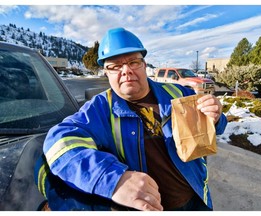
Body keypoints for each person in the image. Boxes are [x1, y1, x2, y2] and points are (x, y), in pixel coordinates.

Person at [35, 27, 227, 211]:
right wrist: (113, 180)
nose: (125, 70)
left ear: (144, 65)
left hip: (197, 198)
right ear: (106, 73)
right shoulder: (100, 109)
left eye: (133, 62)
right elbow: (58, 143)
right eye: (115, 66)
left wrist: (216, 116)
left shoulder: (179, 93)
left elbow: (214, 127)